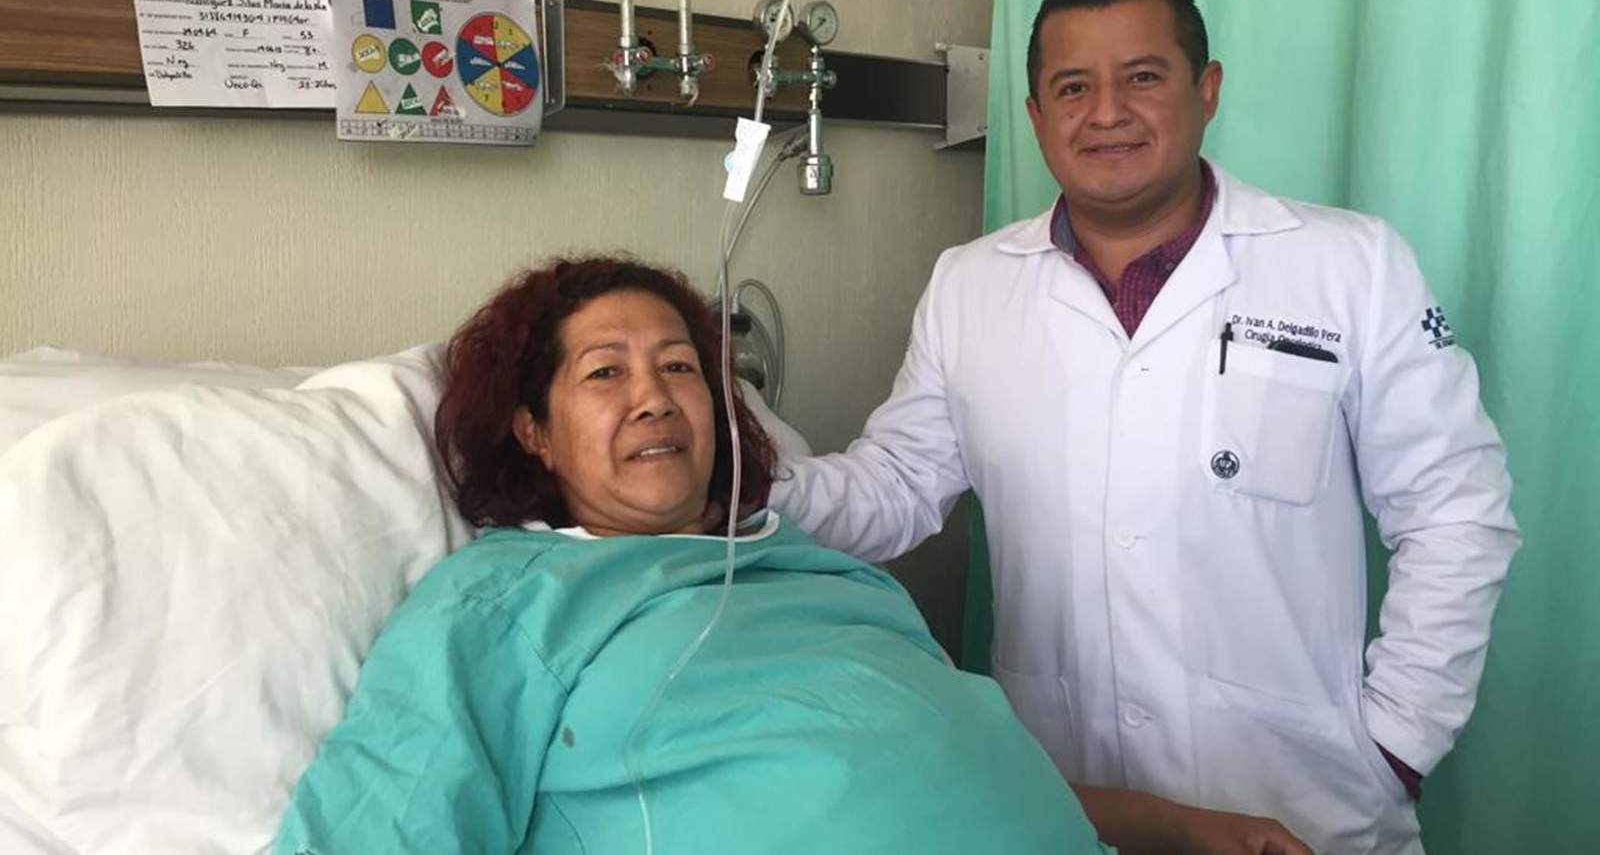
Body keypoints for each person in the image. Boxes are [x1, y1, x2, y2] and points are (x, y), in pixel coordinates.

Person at [769, 0, 1520, 854]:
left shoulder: (1350, 266)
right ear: (1035, 116)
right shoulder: (970, 285)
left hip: (1305, 805)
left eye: (1143, 77)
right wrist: (754, 483)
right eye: (1073, 87)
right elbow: (895, 488)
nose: (1107, 112)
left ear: (1207, 90)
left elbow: (1455, 508)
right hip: (1066, 800)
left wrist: (1396, 742)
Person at [280, 255, 1289, 854]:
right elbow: (386, 827)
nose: (654, 397)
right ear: (534, 431)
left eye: (680, 366)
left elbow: (952, 765)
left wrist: (1178, 826)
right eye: (605, 373)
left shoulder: (812, 566)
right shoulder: (504, 603)